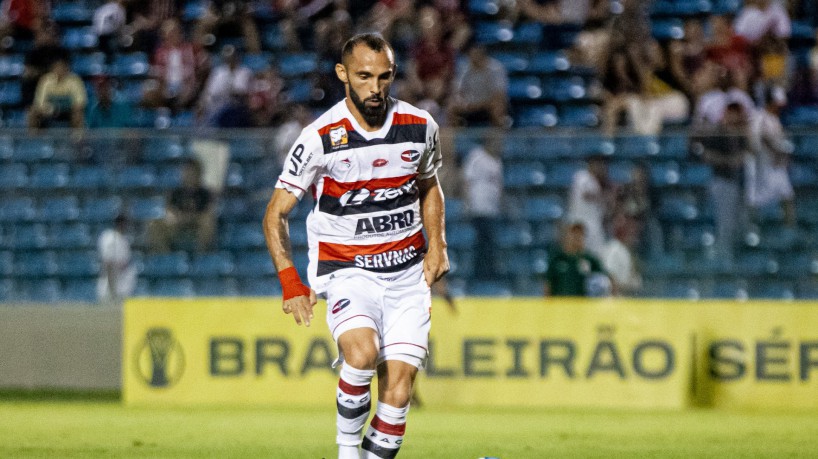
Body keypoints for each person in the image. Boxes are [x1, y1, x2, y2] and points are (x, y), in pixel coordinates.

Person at [262, 33, 448, 459]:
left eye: (385, 77)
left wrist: (437, 244)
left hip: (406, 275)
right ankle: (347, 452)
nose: (376, 87)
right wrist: (290, 283)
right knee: (362, 355)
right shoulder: (319, 137)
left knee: (398, 395)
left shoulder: (421, 127)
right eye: (364, 76)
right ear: (343, 74)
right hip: (348, 271)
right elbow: (275, 214)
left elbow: (429, 186)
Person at [692, 101, 750, 264]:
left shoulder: (740, 134)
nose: (735, 117)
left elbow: (747, 153)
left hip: (738, 184)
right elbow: (702, 153)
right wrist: (729, 161)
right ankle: (724, 262)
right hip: (721, 182)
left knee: (738, 224)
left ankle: (734, 260)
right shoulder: (717, 132)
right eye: (732, 112)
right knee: (725, 225)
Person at [745, 86, 796, 227]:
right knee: (756, 200)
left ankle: (789, 230)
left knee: (787, 196)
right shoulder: (758, 116)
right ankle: (753, 230)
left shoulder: (774, 118)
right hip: (761, 165)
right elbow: (759, 138)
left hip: (775, 166)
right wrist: (775, 152)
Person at [147, 159, 216, 253]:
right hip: (178, 225)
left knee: (207, 221)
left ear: (198, 174)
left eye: (191, 171)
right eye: (186, 171)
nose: (188, 175)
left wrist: (190, 218)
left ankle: (201, 256)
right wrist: (177, 217)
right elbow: (169, 211)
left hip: (196, 226)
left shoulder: (205, 193)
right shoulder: (175, 193)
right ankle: (165, 257)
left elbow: (208, 212)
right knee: (154, 224)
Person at [462, 129, 503, 280]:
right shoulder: (476, 156)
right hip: (478, 207)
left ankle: (490, 271)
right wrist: (467, 204)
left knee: (490, 241)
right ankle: (478, 273)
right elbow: (467, 180)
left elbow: (499, 186)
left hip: (492, 209)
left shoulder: (497, 161)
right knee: (481, 241)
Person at [445, 41, 509, 128]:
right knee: (451, 105)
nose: (475, 57)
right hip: (469, 103)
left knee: (498, 105)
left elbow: (499, 94)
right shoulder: (464, 68)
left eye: (478, 54)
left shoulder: (496, 68)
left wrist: (480, 104)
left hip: (488, 102)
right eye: (472, 54)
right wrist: (463, 102)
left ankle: (498, 138)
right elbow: (457, 90)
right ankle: (455, 138)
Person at [544, 221, 609, 297]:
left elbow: (606, 279)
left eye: (581, 234)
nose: (577, 237)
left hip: (583, 306)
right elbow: (548, 285)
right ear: (566, 236)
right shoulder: (556, 259)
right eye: (574, 234)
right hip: (561, 306)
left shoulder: (590, 260)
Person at [566, 154, 612, 258]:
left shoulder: (598, 183)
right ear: (591, 165)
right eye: (598, 164)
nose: (601, 168)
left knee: (598, 256)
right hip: (580, 223)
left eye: (602, 165)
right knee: (578, 255)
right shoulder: (582, 176)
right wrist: (605, 196)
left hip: (594, 225)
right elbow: (586, 195)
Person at [28, 57, 88, 130]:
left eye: (62, 67)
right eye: (57, 67)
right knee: (33, 112)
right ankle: (34, 139)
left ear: (67, 68)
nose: (60, 69)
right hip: (50, 110)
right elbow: (40, 102)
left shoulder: (75, 80)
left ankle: (77, 139)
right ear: (53, 68)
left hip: (68, 111)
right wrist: (50, 109)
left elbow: (80, 102)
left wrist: (67, 108)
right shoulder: (46, 80)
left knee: (78, 113)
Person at [97, 214, 137, 305]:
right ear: (121, 223)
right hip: (109, 287)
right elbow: (108, 264)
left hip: (123, 284)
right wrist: (112, 291)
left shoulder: (125, 239)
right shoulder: (109, 237)